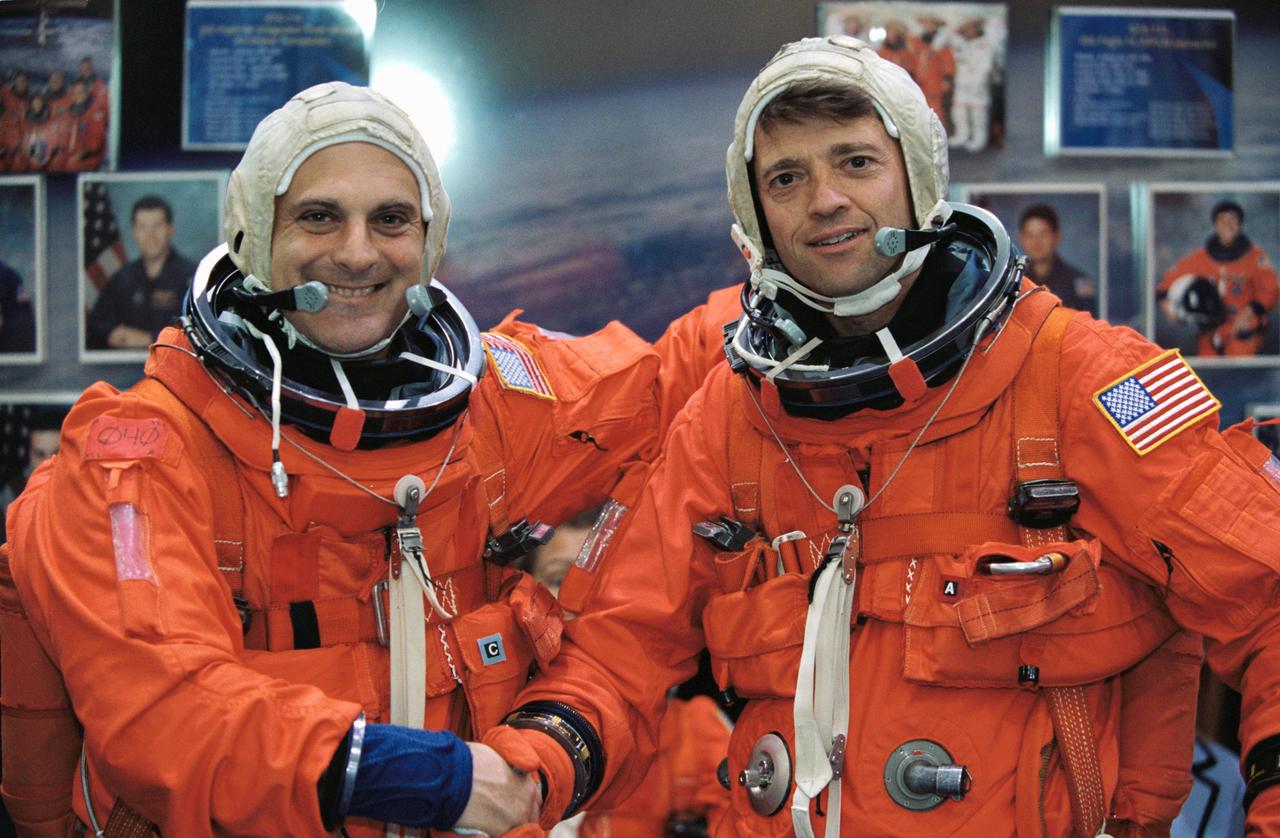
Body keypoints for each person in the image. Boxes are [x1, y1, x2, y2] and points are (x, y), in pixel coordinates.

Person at [482, 37, 1280, 836]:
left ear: (918, 178)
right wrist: (533, 768)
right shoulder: (734, 416)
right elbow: (621, 648)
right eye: (786, 179)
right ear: (756, 215)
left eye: (856, 162)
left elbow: (1267, 597)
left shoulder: (1075, 378)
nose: (823, 199)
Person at [1, 82, 717, 835]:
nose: (357, 251)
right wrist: (440, 780)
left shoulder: (488, 414)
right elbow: (167, 709)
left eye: (391, 220)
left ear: (429, 242)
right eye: (319, 216)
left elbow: (675, 377)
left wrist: (808, 267)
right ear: (252, 233)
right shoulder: (144, 453)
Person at [1157, 200, 1279, 357]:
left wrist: (1249, 312)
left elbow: (1271, 289)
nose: (1228, 225)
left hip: (1243, 327)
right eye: (1223, 220)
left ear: (1240, 224)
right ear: (1216, 225)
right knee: (1207, 373)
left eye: (1233, 220)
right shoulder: (1200, 258)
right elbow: (1167, 283)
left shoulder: (1256, 258)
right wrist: (1166, 304)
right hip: (1210, 328)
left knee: (1238, 370)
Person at [85, 195, 196, 349]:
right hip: (125, 368)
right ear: (134, 232)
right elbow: (96, 324)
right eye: (142, 227)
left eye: (158, 226)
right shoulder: (122, 278)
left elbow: (198, 329)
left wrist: (150, 338)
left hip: (174, 366)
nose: (150, 236)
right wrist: (111, 332)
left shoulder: (192, 277)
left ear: (171, 229)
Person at [1017, 203, 1097, 315]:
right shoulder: (1015, 281)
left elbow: (1088, 327)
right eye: (1029, 235)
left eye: (1043, 234)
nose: (1036, 242)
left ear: (1057, 237)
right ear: (1021, 239)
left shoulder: (1077, 283)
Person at [947, 18, 995, 152]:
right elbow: (944, 39)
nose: (968, 32)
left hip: (977, 85)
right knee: (958, 112)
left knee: (977, 114)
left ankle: (979, 139)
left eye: (971, 29)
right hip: (961, 84)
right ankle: (962, 136)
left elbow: (986, 66)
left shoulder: (984, 44)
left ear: (977, 30)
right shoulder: (961, 43)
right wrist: (957, 29)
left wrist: (977, 83)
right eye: (966, 30)